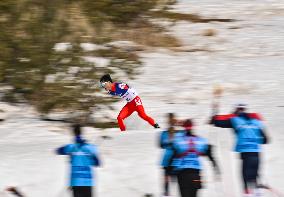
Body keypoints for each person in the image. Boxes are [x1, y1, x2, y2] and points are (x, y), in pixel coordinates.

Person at [210, 103, 269, 196]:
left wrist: (214, 110)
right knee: (255, 176)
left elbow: (215, 122)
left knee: (245, 176)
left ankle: (247, 193)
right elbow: (266, 140)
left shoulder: (235, 120)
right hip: (256, 153)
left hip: (245, 153)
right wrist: (254, 138)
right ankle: (258, 192)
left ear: (236, 110)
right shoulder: (256, 121)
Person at [171, 119, 220, 197]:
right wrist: (216, 167)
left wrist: (172, 172)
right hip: (195, 174)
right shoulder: (200, 140)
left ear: (184, 127)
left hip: (182, 175)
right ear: (193, 127)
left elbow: (173, 157)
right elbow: (209, 154)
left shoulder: (178, 140)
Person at [56, 124, 101, 197]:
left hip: (76, 182)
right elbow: (98, 163)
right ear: (82, 132)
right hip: (87, 183)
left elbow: (58, 150)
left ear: (73, 133)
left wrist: (72, 153)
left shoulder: (71, 147)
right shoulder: (90, 147)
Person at [159, 113, 181, 197]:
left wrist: (168, 144)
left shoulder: (164, 133)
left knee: (167, 179)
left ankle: (167, 193)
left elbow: (160, 145)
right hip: (175, 159)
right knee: (175, 179)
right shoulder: (179, 133)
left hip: (168, 159)